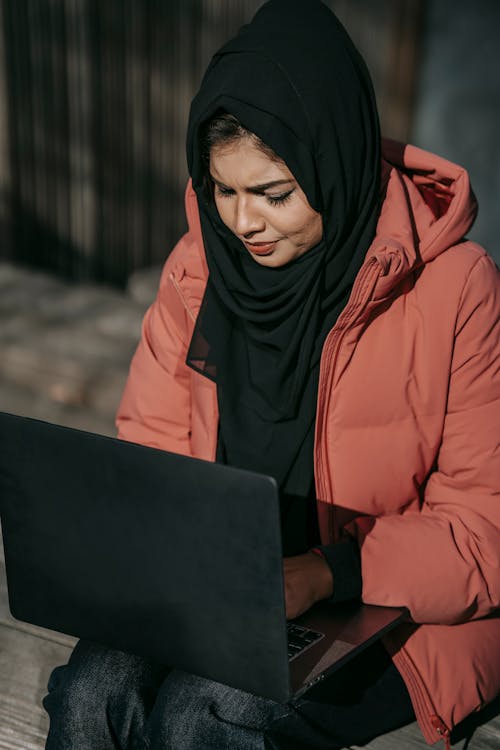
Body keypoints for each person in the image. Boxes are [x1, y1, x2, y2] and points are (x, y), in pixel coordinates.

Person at [43, 1, 500, 748]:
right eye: (224, 191)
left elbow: (486, 529)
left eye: (273, 194)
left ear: (333, 161)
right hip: (215, 587)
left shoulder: (457, 289)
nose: (243, 222)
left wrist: (325, 574)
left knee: (203, 713)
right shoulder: (200, 267)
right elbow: (152, 451)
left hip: (388, 609)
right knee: (91, 692)